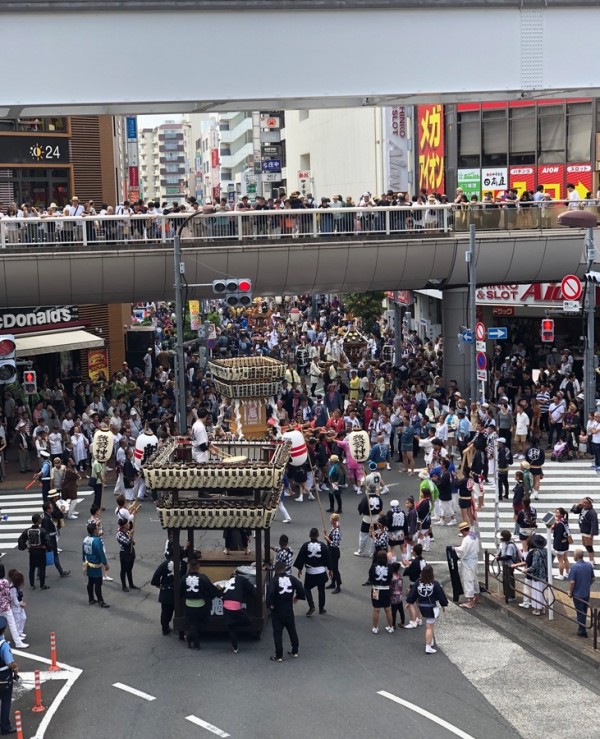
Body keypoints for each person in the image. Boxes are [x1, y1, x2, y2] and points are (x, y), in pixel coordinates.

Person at [266, 561, 306, 662]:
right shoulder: (291, 578)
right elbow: (300, 586)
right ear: (285, 569)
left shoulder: (274, 581)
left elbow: (270, 592)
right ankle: (295, 650)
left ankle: (279, 655)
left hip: (277, 610)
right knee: (292, 630)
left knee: (278, 633)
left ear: (276, 570)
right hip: (288, 609)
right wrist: (297, 597)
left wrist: (270, 604)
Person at [405, 565, 449, 654]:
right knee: (429, 627)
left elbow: (413, 593)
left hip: (421, 606)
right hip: (430, 607)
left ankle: (430, 641)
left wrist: (409, 602)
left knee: (429, 625)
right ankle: (428, 646)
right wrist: (443, 605)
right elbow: (441, 595)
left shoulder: (418, 582)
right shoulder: (435, 583)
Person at [179, 557, 220, 649]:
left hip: (189, 604)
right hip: (201, 605)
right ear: (198, 567)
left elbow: (179, 592)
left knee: (192, 623)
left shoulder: (184, 578)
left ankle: (191, 636)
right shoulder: (203, 578)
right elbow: (211, 590)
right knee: (202, 622)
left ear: (189, 567)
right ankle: (195, 641)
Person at [294, 528, 332, 616]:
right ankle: (321, 608)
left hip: (310, 572)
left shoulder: (305, 545)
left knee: (307, 588)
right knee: (321, 590)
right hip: (321, 572)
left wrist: (300, 569)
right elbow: (328, 558)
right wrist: (330, 569)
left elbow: (301, 558)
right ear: (318, 535)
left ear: (310, 535)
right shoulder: (323, 546)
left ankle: (311, 605)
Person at [151, 543, 186, 636]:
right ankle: (181, 630)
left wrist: (158, 585)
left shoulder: (165, 564)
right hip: (180, 592)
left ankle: (165, 628)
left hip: (167, 591)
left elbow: (155, 577)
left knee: (166, 612)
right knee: (180, 612)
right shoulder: (184, 565)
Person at [221, 572, 257, 654]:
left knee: (231, 629)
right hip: (235, 605)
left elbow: (222, 593)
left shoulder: (227, 582)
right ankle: (238, 625)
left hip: (226, 605)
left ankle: (235, 648)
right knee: (248, 621)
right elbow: (252, 590)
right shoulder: (242, 579)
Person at [17, 514, 50, 591]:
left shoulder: (28, 531)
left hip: (32, 551)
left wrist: (25, 547)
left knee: (32, 568)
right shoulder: (42, 530)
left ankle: (32, 585)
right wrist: (48, 548)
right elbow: (48, 541)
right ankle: (42, 585)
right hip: (41, 550)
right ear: (38, 520)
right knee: (42, 568)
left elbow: (20, 540)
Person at [82, 521, 110, 608]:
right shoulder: (97, 541)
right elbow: (100, 553)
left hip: (88, 564)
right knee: (98, 583)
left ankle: (91, 598)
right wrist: (105, 564)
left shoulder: (85, 539)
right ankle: (100, 601)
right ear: (94, 530)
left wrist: (83, 561)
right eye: (97, 528)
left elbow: (83, 552)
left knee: (90, 583)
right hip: (95, 565)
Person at [569, 549, 595, 638]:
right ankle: (583, 629)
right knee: (584, 611)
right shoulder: (588, 565)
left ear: (576, 556)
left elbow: (572, 582)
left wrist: (570, 592)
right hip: (586, 593)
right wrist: (587, 585)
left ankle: (582, 630)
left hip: (577, 594)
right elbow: (593, 579)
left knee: (580, 612)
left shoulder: (574, 567)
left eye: (573, 555)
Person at [0, 616, 19, 735]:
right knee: (6, 701)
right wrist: (15, 666)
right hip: (3, 676)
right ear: (4, 629)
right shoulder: (3, 645)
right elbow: (9, 663)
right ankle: (5, 726)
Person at [0, 566, 27, 650]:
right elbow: (8, 595)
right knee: (12, 624)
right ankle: (18, 642)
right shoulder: (4, 582)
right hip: (5, 606)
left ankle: (2, 640)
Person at [41, 501, 70, 579]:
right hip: (50, 540)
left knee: (45, 556)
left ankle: (39, 573)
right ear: (48, 509)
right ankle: (61, 572)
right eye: (51, 507)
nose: (52, 508)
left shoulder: (46, 516)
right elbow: (46, 532)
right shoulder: (46, 519)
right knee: (54, 556)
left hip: (51, 538)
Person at [454, 521, 480, 608]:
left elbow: (462, 550)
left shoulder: (467, 539)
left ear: (462, 531)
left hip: (468, 561)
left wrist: (454, 548)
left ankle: (470, 601)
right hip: (474, 560)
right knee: (474, 579)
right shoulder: (474, 536)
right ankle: (476, 596)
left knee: (468, 580)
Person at [368, 550, 394, 634]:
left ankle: (375, 628)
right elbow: (391, 577)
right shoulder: (389, 566)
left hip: (376, 589)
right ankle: (391, 627)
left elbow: (370, 576)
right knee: (388, 609)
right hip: (386, 589)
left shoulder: (373, 566)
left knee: (376, 609)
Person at [354, 484, 383, 557]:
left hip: (367, 519)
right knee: (374, 536)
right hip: (376, 519)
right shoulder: (379, 498)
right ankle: (372, 552)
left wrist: (361, 512)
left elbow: (361, 507)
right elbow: (381, 508)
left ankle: (361, 551)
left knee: (363, 535)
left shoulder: (366, 498)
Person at [571, 497, 599, 565]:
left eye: (586, 503)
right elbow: (573, 511)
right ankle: (592, 558)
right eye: (583, 502)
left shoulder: (592, 513)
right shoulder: (582, 508)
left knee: (589, 546)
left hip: (588, 531)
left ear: (590, 504)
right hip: (583, 530)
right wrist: (577, 505)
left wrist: (591, 534)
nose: (584, 504)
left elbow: (594, 524)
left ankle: (591, 561)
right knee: (584, 544)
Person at [497, 529, 520, 600]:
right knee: (506, 579)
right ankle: (506, 594)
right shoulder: (505, 544)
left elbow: (508, 556)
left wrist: (499, 558)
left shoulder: (510, 545)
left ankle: (511, 595)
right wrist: (499, 556)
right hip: (506, 564)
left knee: (509, 579)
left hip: (509, 565)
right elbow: (502, 551)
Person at [116, 518, 138, 592]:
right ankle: (124, 585)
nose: (129, 525)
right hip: (124, 553)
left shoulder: (127, 532)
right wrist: (131, 536)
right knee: (123, 570)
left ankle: (131, 584)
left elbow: (132, 542)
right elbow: (127, 542)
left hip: (131, 552)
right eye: (127, 524)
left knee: (129, 569)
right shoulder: (119, 534)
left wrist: (132, 539)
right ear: (124, 526)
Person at [324, 513, 342, 594]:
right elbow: (330, 537)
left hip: (334, 552)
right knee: (331, 568)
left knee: (335, 569)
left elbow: (335, 544)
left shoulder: (337, 531)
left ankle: (338, 586)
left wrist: (327, 538)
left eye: (331, 519)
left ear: (334, 520)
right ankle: (332, 583)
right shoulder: (333, 528)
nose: (330, 520)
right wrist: (326, 534)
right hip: (331, 551)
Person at [7, 571, 26, 645]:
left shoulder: (17, 587)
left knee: (23, 618)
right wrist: (20, 604)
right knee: (17, 620)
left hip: (20, 605)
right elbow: (14, 600)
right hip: (15, 608)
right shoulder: (13, 589)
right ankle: (17, 634)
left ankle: (20, 632)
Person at [552, 507, 571, 580]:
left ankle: (561, 575)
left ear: (562, 514)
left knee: (560, 560)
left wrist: (555, 546)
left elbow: (558, 536)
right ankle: (567, 573)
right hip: (565, 543)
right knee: (565, 559)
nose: (556, 514)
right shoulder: (565, 521)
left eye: (557, 513)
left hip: (560, 544)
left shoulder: (559, 524)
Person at [390, 562, 405, 629]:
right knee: (401, 610)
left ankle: (393, 624)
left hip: (393, 597)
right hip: (400, 596)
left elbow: (391, 587)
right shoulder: (400, 576)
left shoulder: (392, 578)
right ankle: (402, 622)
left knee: (393, 611)